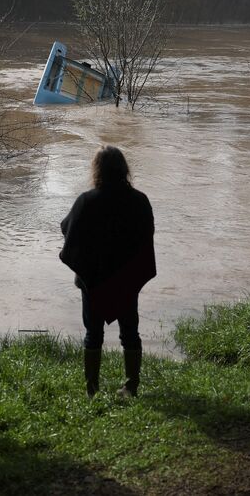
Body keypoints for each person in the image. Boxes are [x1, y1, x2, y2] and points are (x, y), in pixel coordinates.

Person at [60, 145, 156, 397]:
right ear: (124, 169)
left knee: (93, 333)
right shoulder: (139, 200)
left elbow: (66, 228)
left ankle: (92, 390)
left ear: (97, 170)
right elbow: (147, 234)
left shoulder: (86, 201)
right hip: (126, 278)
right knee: (130, 332)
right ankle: (131, 386)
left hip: (93, 278)